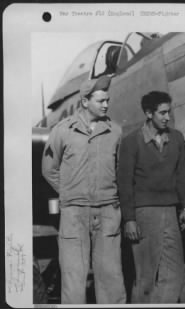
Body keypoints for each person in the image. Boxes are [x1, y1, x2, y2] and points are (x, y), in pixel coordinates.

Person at [42, 75, 126, 304]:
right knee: (73, 279)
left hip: (107, 212)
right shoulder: (62, 130)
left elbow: (121, 171)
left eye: (107, 100)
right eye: (101, 101)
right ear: (85, 101)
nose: (106, 105)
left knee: (111, 278)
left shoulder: (115, 132)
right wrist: (70, 193)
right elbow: (49, 170)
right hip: (74, 214)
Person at [118, 91, 185, 303]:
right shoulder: (131, 141)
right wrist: (129, 219)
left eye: (169, 112)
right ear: (149, 113)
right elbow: (125, 184)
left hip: (171, 212)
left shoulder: (176, 138)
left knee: (174, 273)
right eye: (162, 113)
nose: (168, 117)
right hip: (143, 214)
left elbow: (182, 174)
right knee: (145, 277)